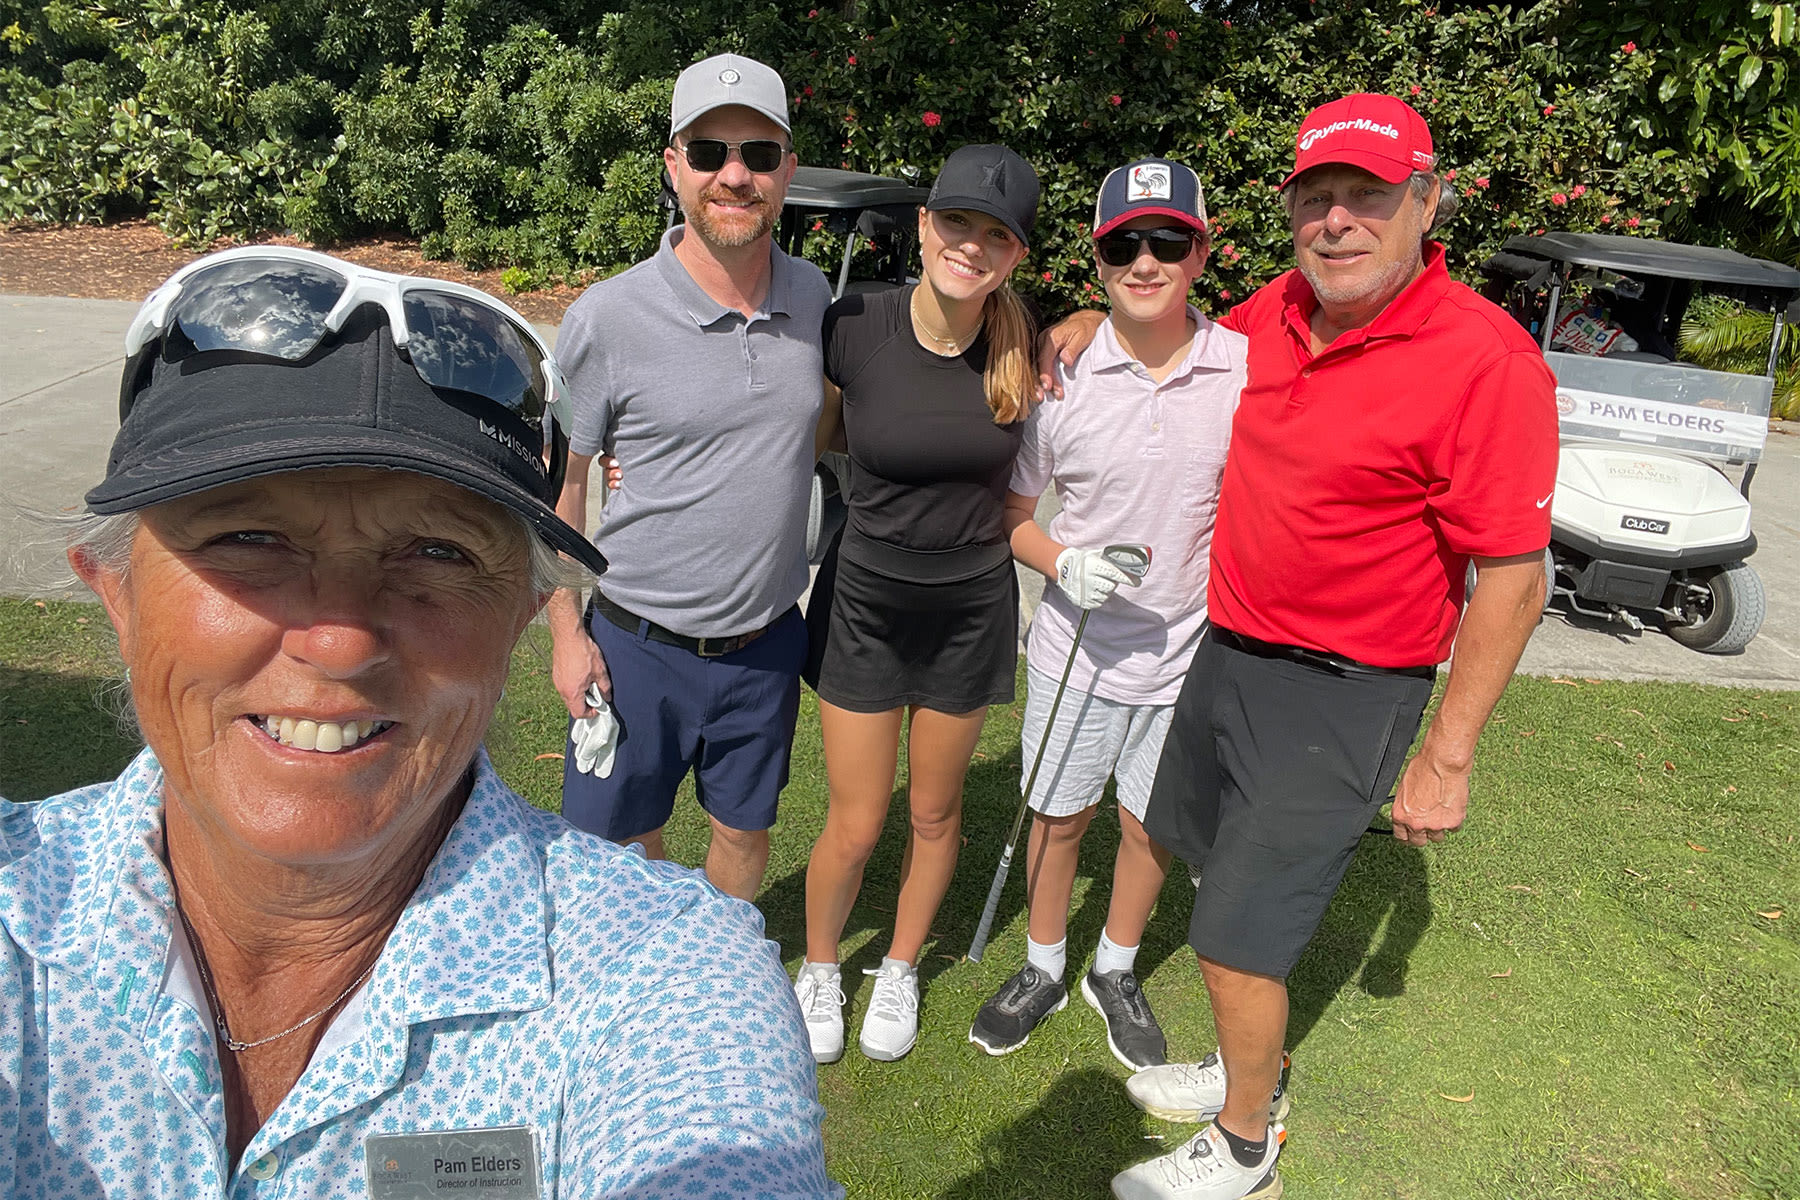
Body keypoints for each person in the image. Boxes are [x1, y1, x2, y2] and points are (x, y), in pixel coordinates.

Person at [1, 247, 840, 1198]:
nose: (340, 639)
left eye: (439, 552)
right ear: (115, 593)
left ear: (519, 615)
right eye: (250, 538)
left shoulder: (667, 973)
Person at [1041, 96, 1557, 1200]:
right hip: (1228, 653)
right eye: (1315, 198)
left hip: (1346, 690)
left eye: (1367, 195)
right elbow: (1168, 319)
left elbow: (1515, 579)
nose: (1336, 220)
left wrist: (1447, 755)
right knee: (1190, 854)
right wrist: (1090, 318)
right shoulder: (1275, 310)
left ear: (1427, 202)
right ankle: (1249, 1074)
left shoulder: (1487, 359)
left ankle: (1245, 1148)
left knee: (1236, 935)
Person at [968, 159, 1246, 1072]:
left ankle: (1114, 968)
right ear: (1097, 260)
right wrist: (1061, 562)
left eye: (1168, 241)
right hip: (1074, 652)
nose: (1145, 261)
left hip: (1185, 656)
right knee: (1058, 818)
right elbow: (1013, 513)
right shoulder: (1062, 375)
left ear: (1200, 252)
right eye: (1124, 244)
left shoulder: (1242, 369)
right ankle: (1045, 963)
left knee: (1150, 825)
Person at [546, 53, 833, 900]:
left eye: (759, 154)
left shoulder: (816, 298)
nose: (734, 176)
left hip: (766, 643)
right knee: (620, 849)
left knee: (743, 831)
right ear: (674, 167)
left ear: (787, 169)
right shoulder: (607, 316)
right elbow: (562, 488)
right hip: (635, 645)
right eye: (709, 153)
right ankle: (635, 966)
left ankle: (722, 962)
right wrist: (566, 636)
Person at [792, 144, 1040, 1065]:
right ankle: (821, 965)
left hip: (969, 613)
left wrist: (1091, 315)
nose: (971, 246)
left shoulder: (1029, 343)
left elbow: (1136, 335)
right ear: (926, 225)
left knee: (934, 814)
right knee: (856, 820)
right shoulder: (854, 324)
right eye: (957, 222)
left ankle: (898, 965)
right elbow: (799, 436)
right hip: (865, 604)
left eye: (996, 235)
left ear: (1016, 256)